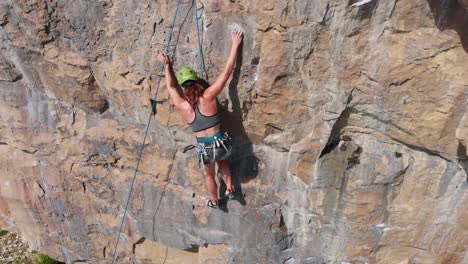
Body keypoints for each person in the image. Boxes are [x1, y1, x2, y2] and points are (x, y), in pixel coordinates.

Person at [157, 29, 243, 207]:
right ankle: (230, 188)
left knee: (210, 175)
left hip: (204, 146)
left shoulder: (183, 106)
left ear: (183, 86)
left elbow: (171, 88)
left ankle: (214, 200)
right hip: (219, 141)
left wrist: (167, 66)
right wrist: (235, 45)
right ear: (196, 81)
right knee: (223, 161)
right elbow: (226, 74)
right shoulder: (209, 96)